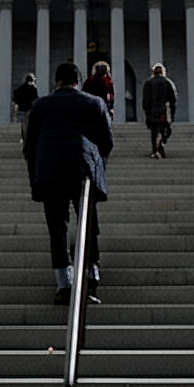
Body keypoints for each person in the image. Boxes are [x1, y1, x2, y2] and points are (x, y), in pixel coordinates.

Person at [24, 63, 113, 305]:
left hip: (50, 171)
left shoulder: (41, 105)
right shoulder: (94, 103)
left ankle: (64, 284)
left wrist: (36, 177)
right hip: (82, 170)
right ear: (78, 81)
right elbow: (106, 142)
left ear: (57, 81)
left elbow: (29, 146)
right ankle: (90, 281)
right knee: (88, 227)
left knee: (57, 228)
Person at [141, 62, 178, 159]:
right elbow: (173, 99)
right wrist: (172, 113)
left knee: (154, 131)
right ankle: (161, 144)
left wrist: (146, 112)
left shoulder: (148, 83)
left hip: (152, 111)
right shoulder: (168, 82)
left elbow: (145, 100)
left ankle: (155, 149)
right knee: (164, 130)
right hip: (164, 110)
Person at [12, 73, 38, 144]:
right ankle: (27, 138)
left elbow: (16, 100)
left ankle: (24, 138)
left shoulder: (21, 88)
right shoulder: (33, 88)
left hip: (22, 109)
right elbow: (35, 100)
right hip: (29, 109)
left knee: (24, 124)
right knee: (28, 124)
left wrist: (15, 114)